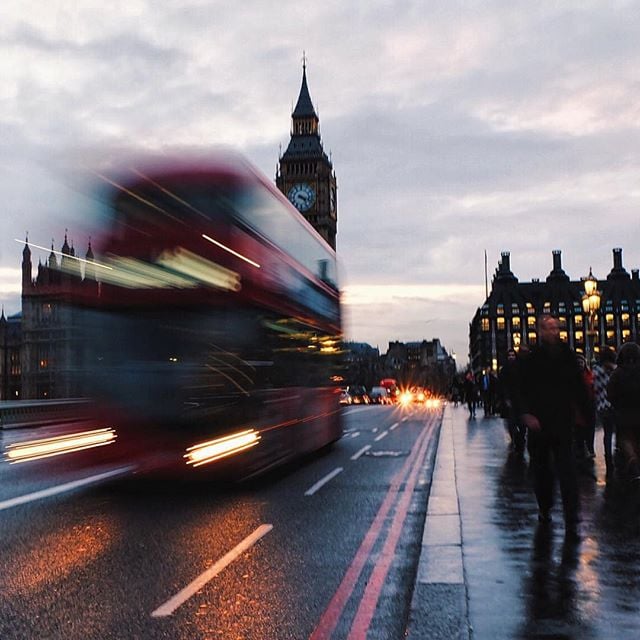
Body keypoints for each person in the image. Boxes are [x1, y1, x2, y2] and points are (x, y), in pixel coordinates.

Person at [518, 315, 590, 538]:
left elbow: (578, 388)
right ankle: (545, 505)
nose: (553, 332)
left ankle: (571, 513)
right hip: (539, 423)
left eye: (555, 328)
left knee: (567, 468)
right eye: (548, 328)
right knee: (541, 470)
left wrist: (586, 414)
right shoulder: (533, 359)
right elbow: (522, 389)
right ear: (540, 331)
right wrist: (526, 414)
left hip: (561, 421)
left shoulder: (567, 356)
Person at [607, 342, 640, 483]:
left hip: (623, 413)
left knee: (625, 438)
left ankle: (631, 458)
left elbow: (610, 393)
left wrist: (617, 405)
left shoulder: (618, 373)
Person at [593, 347, 617, 478]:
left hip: (601, 407)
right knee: (619, 432)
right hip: (613, 406)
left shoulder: (596, 372)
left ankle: (608, 460)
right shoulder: (614, 371)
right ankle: (619, 456)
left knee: (607, 435)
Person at [499, 348, 525, 453]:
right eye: (509, 355)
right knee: (511, 421)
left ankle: (521, 438)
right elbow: (502, 385)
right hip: (509, 400)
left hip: (520, 399)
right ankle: (515, 437)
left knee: (521, 421)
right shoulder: (504, 370)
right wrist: (505, 398)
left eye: (513, 355)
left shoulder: (520, 368)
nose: (511, 357)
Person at [574, 353, 596, 460]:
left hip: (589, 405)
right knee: (579, 428)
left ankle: (589, 448)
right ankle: (580, 448)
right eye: (578, 363)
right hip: (577, 406)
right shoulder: (573, 377)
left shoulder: (590, 375)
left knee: (590, 428)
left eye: (581, 362)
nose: (580, 364)